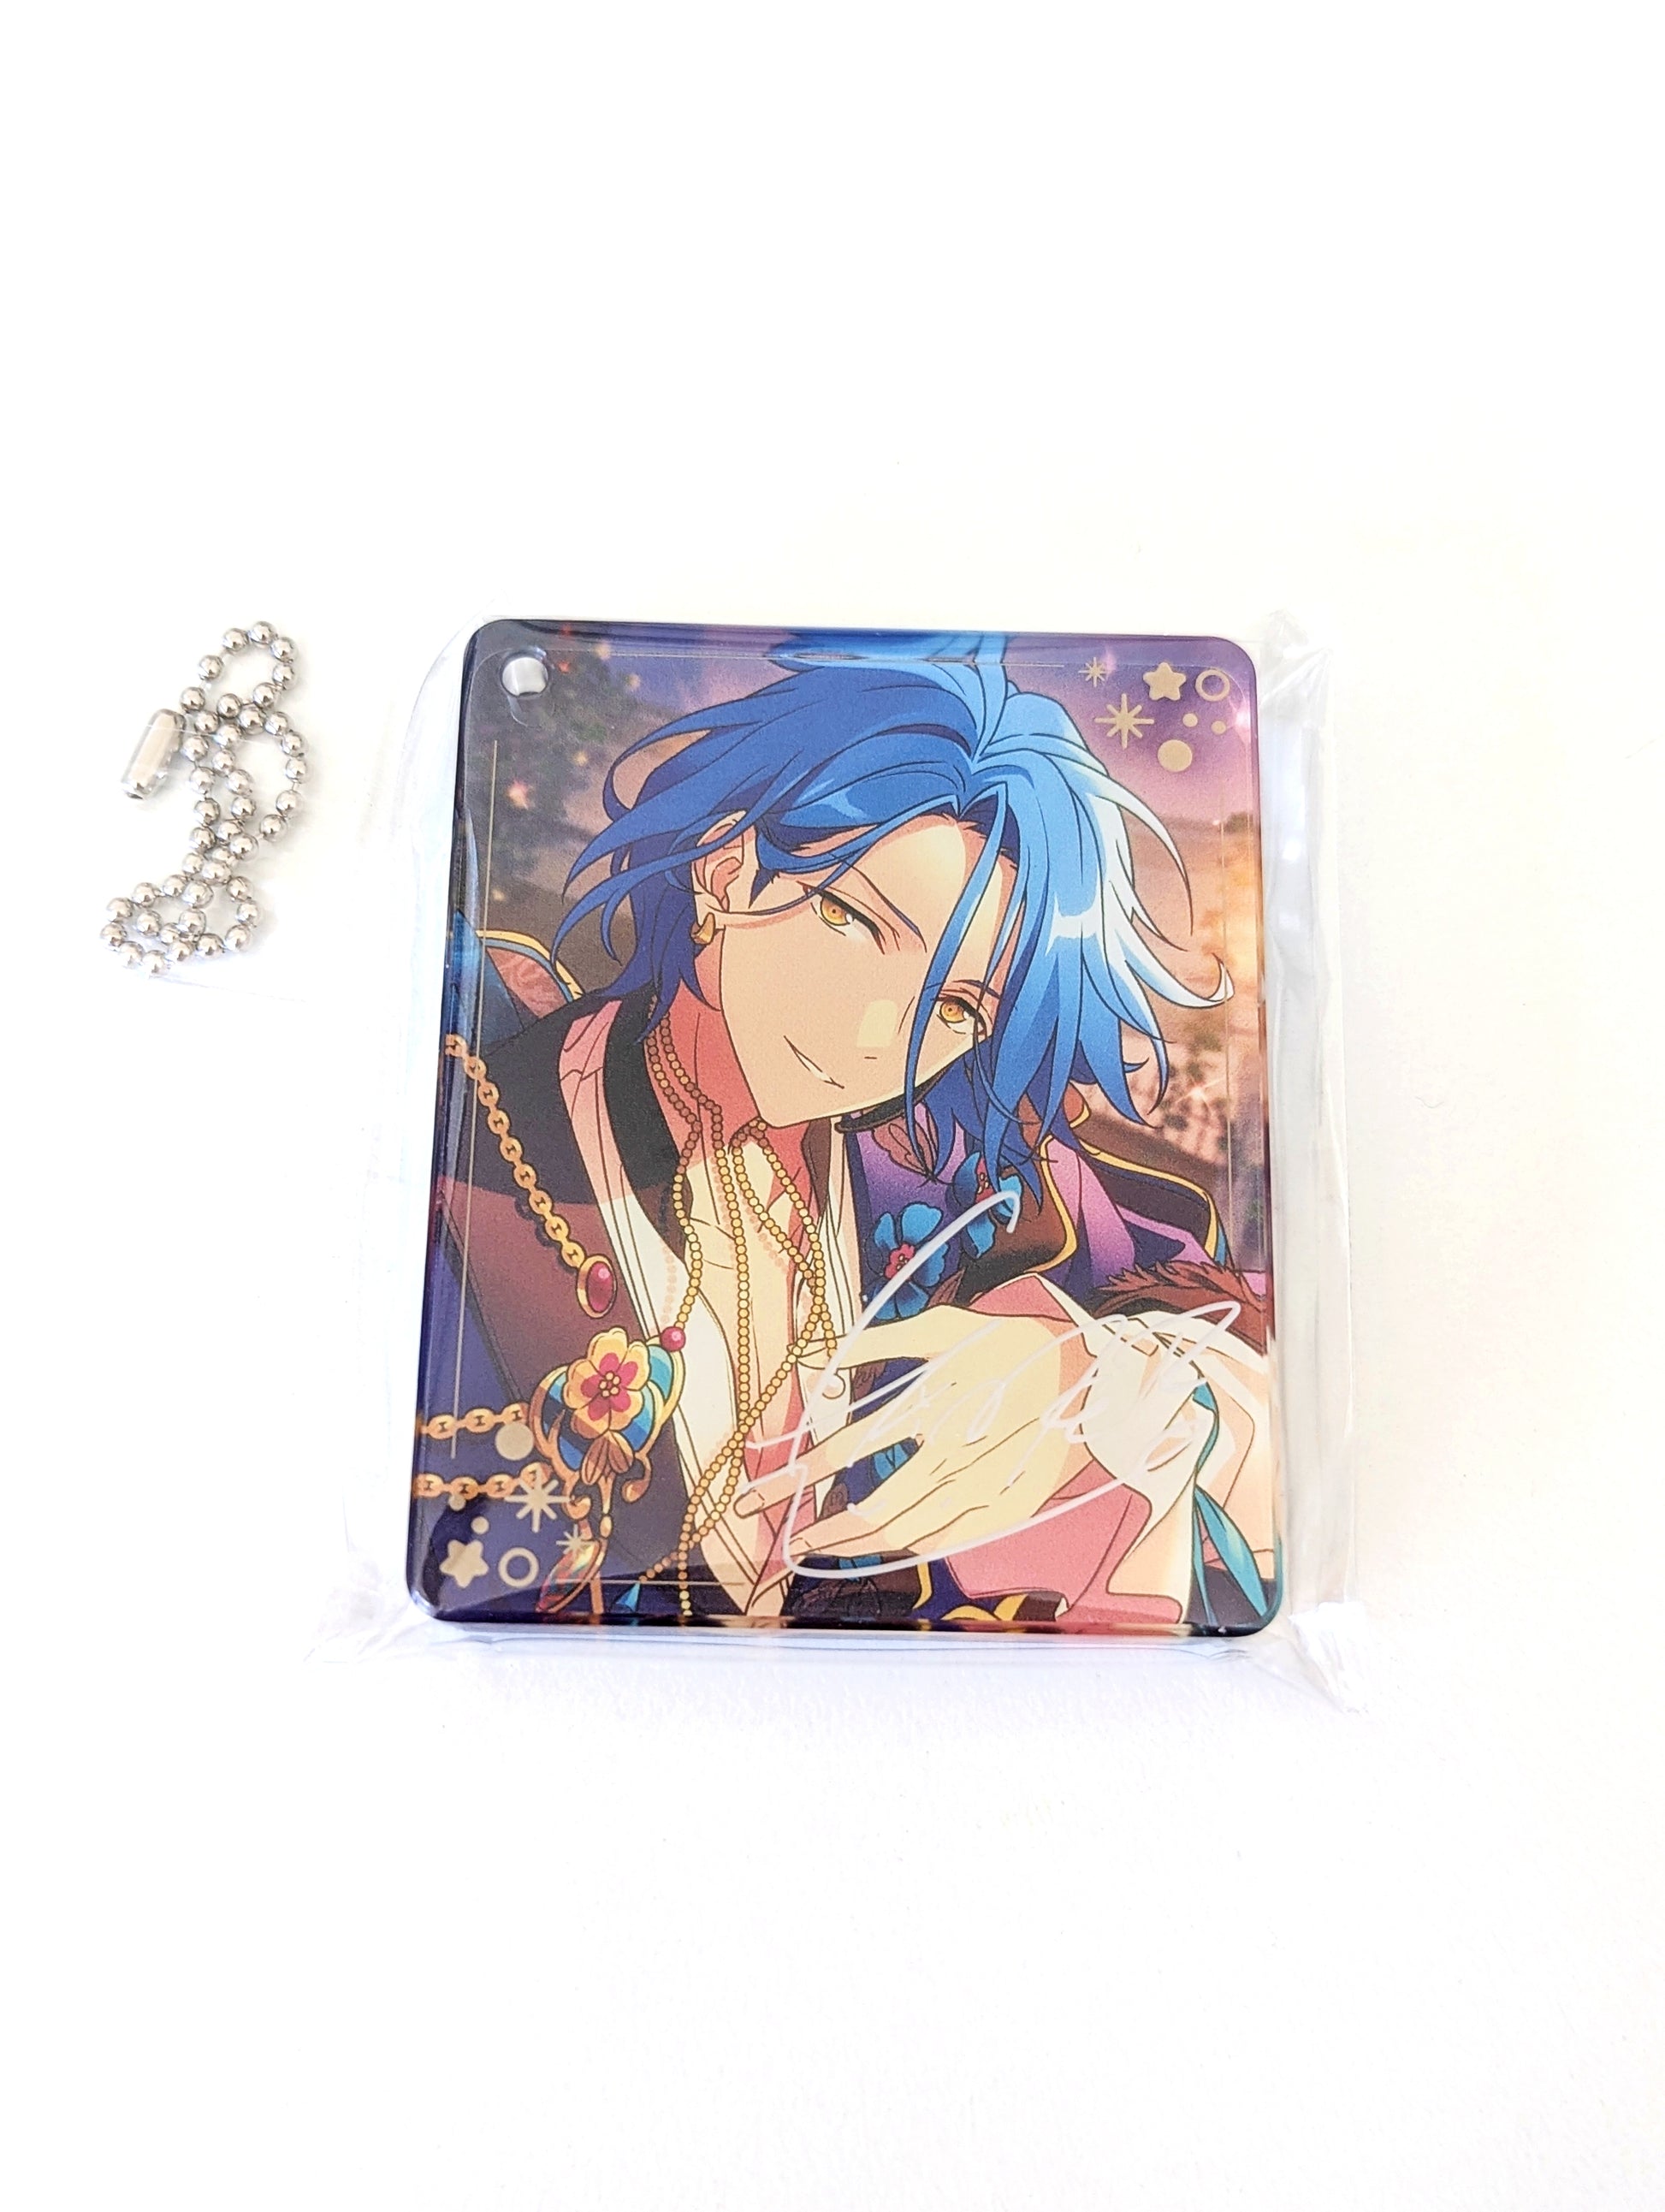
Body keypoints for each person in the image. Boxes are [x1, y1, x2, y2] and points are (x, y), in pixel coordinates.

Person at [410, 634, 1275, 1632]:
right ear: (730, 867)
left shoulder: (956, 1168)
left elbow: (1222, 1319)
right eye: (856, 923)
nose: (879, 1037)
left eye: (957, 1006)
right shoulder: (484, 1117)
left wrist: (1088, 1375)